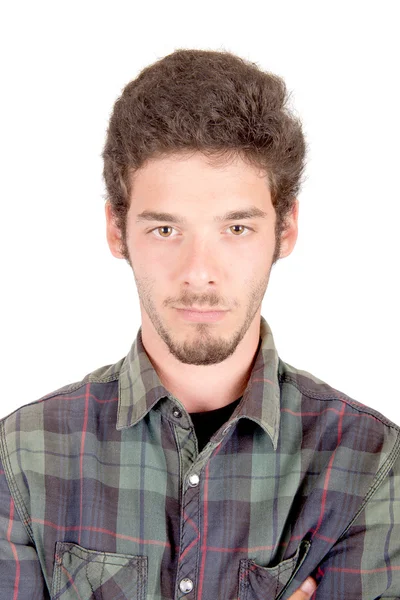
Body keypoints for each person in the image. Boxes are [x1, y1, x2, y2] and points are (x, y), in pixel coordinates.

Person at [0, 48, 398, 600]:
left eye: (236, 229)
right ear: (117, 232)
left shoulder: (370, 462)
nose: (200, 273)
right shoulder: (23, 456)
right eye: (166, 230)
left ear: (285, 231)